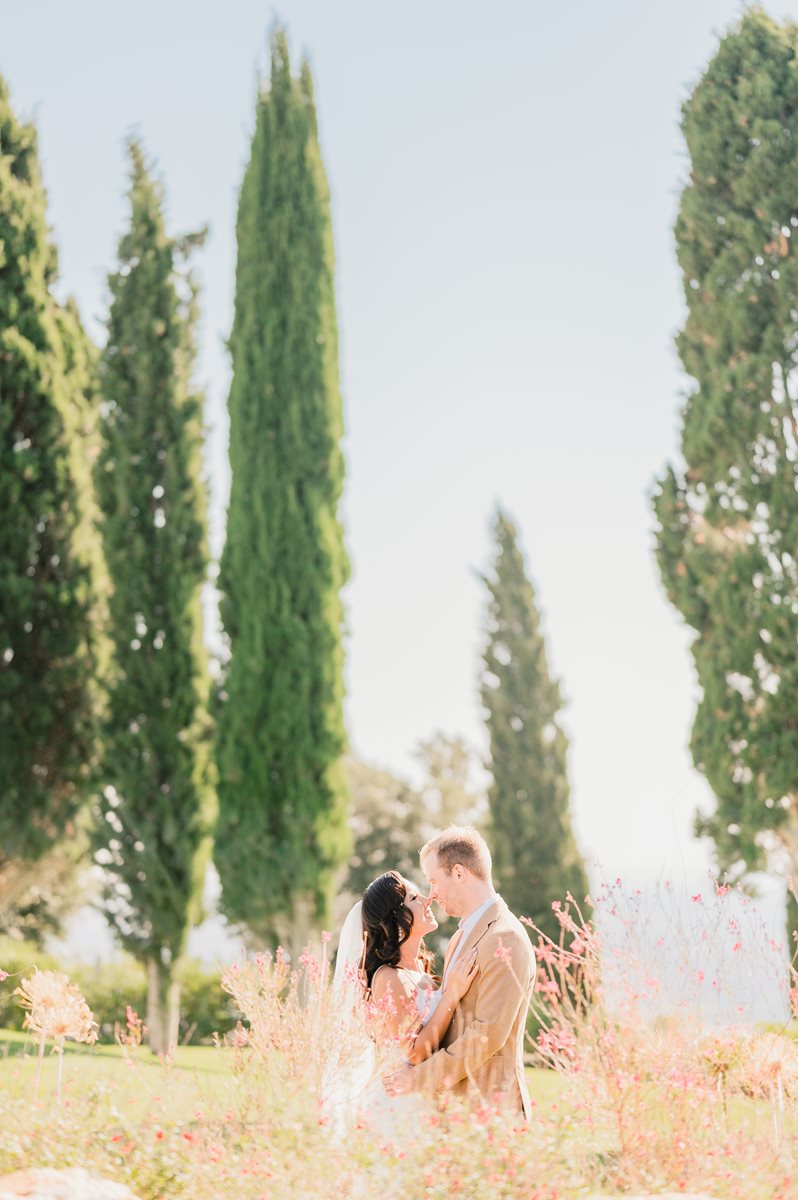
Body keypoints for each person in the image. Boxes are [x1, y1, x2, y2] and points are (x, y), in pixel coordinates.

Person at [384, 826, 536, 1118]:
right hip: (458, 1115)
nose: (431, 894)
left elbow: (487, 1036)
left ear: (458, 873)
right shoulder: (458, 938)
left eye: (433, 881)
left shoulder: (505, 938)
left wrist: (417, 1079)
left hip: (492, 1114)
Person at [329, 869, 477, 1135]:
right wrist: (452, 994)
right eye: (413, 898)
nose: (427, 899)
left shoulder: (420, 970)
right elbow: (415, 1052)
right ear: (397, 921)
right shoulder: (388, 977)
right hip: (398, 1109)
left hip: (424, 1099)